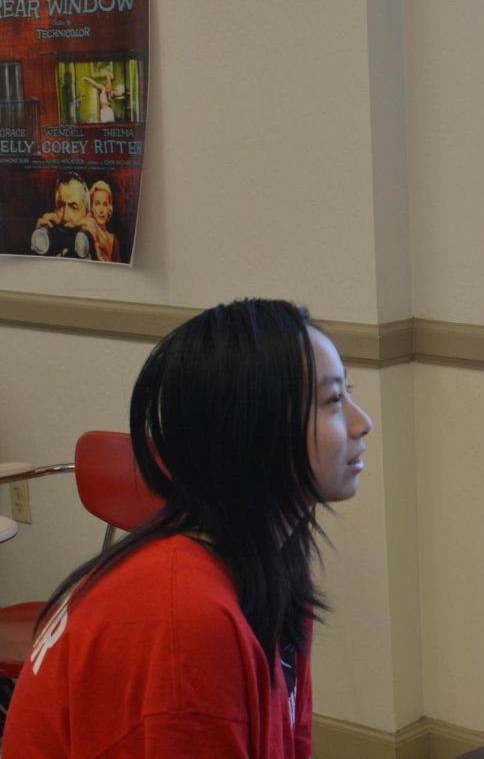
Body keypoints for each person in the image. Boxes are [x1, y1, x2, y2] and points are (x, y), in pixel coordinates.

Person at [3, 298, 373, 757]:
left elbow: (292, 742)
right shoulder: (188, 618)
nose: (363, 423)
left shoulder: (271, 562)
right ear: (252, 426)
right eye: (334, 400)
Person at [31, 172, 105, 259]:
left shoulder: (98, 242)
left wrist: (98, 253)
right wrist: (36, 248)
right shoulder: (50, 235)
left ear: (87, 213)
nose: (65, 217)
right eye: (60, 206)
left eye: (74, 207)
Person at [88, 179, 121, 262]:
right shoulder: (86, 234)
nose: (101, 210)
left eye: (105, 204)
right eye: (97, 203)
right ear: (91, 207)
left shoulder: (113, 240)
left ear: (109, 209)